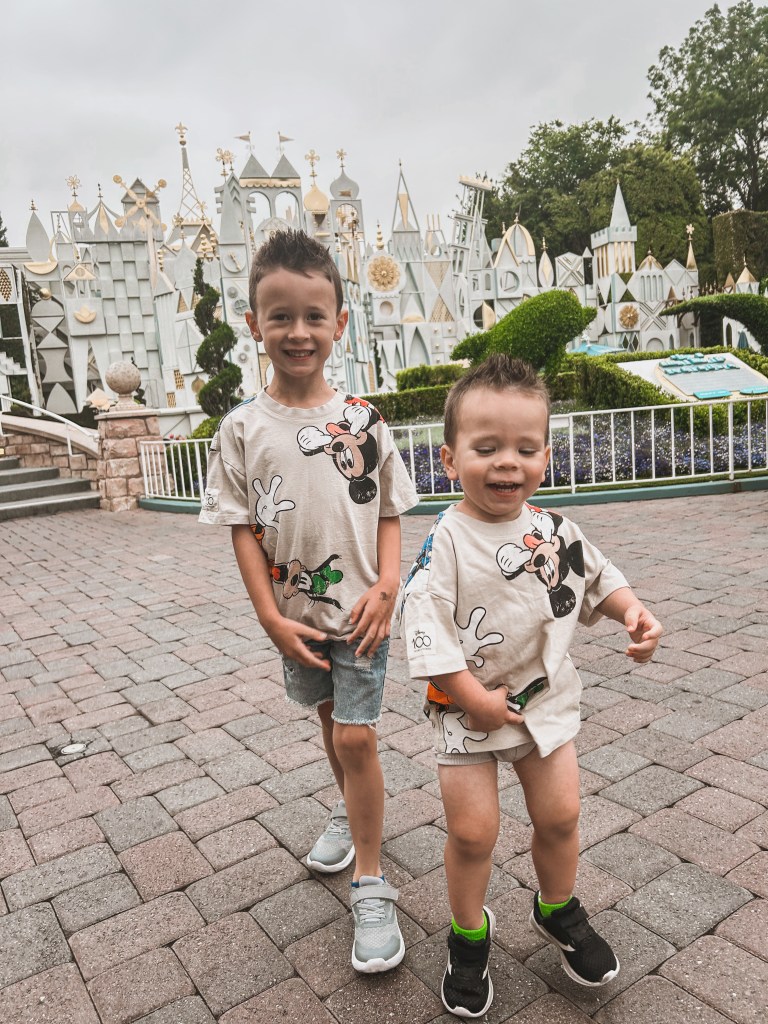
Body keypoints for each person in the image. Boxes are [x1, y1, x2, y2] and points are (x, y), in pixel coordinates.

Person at [399, 354, 662, 1017]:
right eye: (486, 448)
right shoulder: (447, 540)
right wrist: (471, 697)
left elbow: (598, 578)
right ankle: (468, 934)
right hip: (467, 713)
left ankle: (556, 907)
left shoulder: (554, 529)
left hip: (542, 704)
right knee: (472, 833)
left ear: (546, 454)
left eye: (524, 448)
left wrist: (632, 611)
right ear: (450, 459)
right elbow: (425, 627)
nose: (507, 463)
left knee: (561, 815)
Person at [199, 229, 418, 973]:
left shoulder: (363, 421)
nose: (299, 332)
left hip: (360, 614)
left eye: (314, 316)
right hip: (297, 622)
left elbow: (390, 510)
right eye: (281, 316)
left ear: (340, 323)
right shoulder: (241, 430)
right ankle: (352, 812)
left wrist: (388, 585)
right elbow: (241, 528)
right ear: (253, 324)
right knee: (330, 724)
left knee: (356, 736)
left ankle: (371, 881)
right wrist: (269, 616)